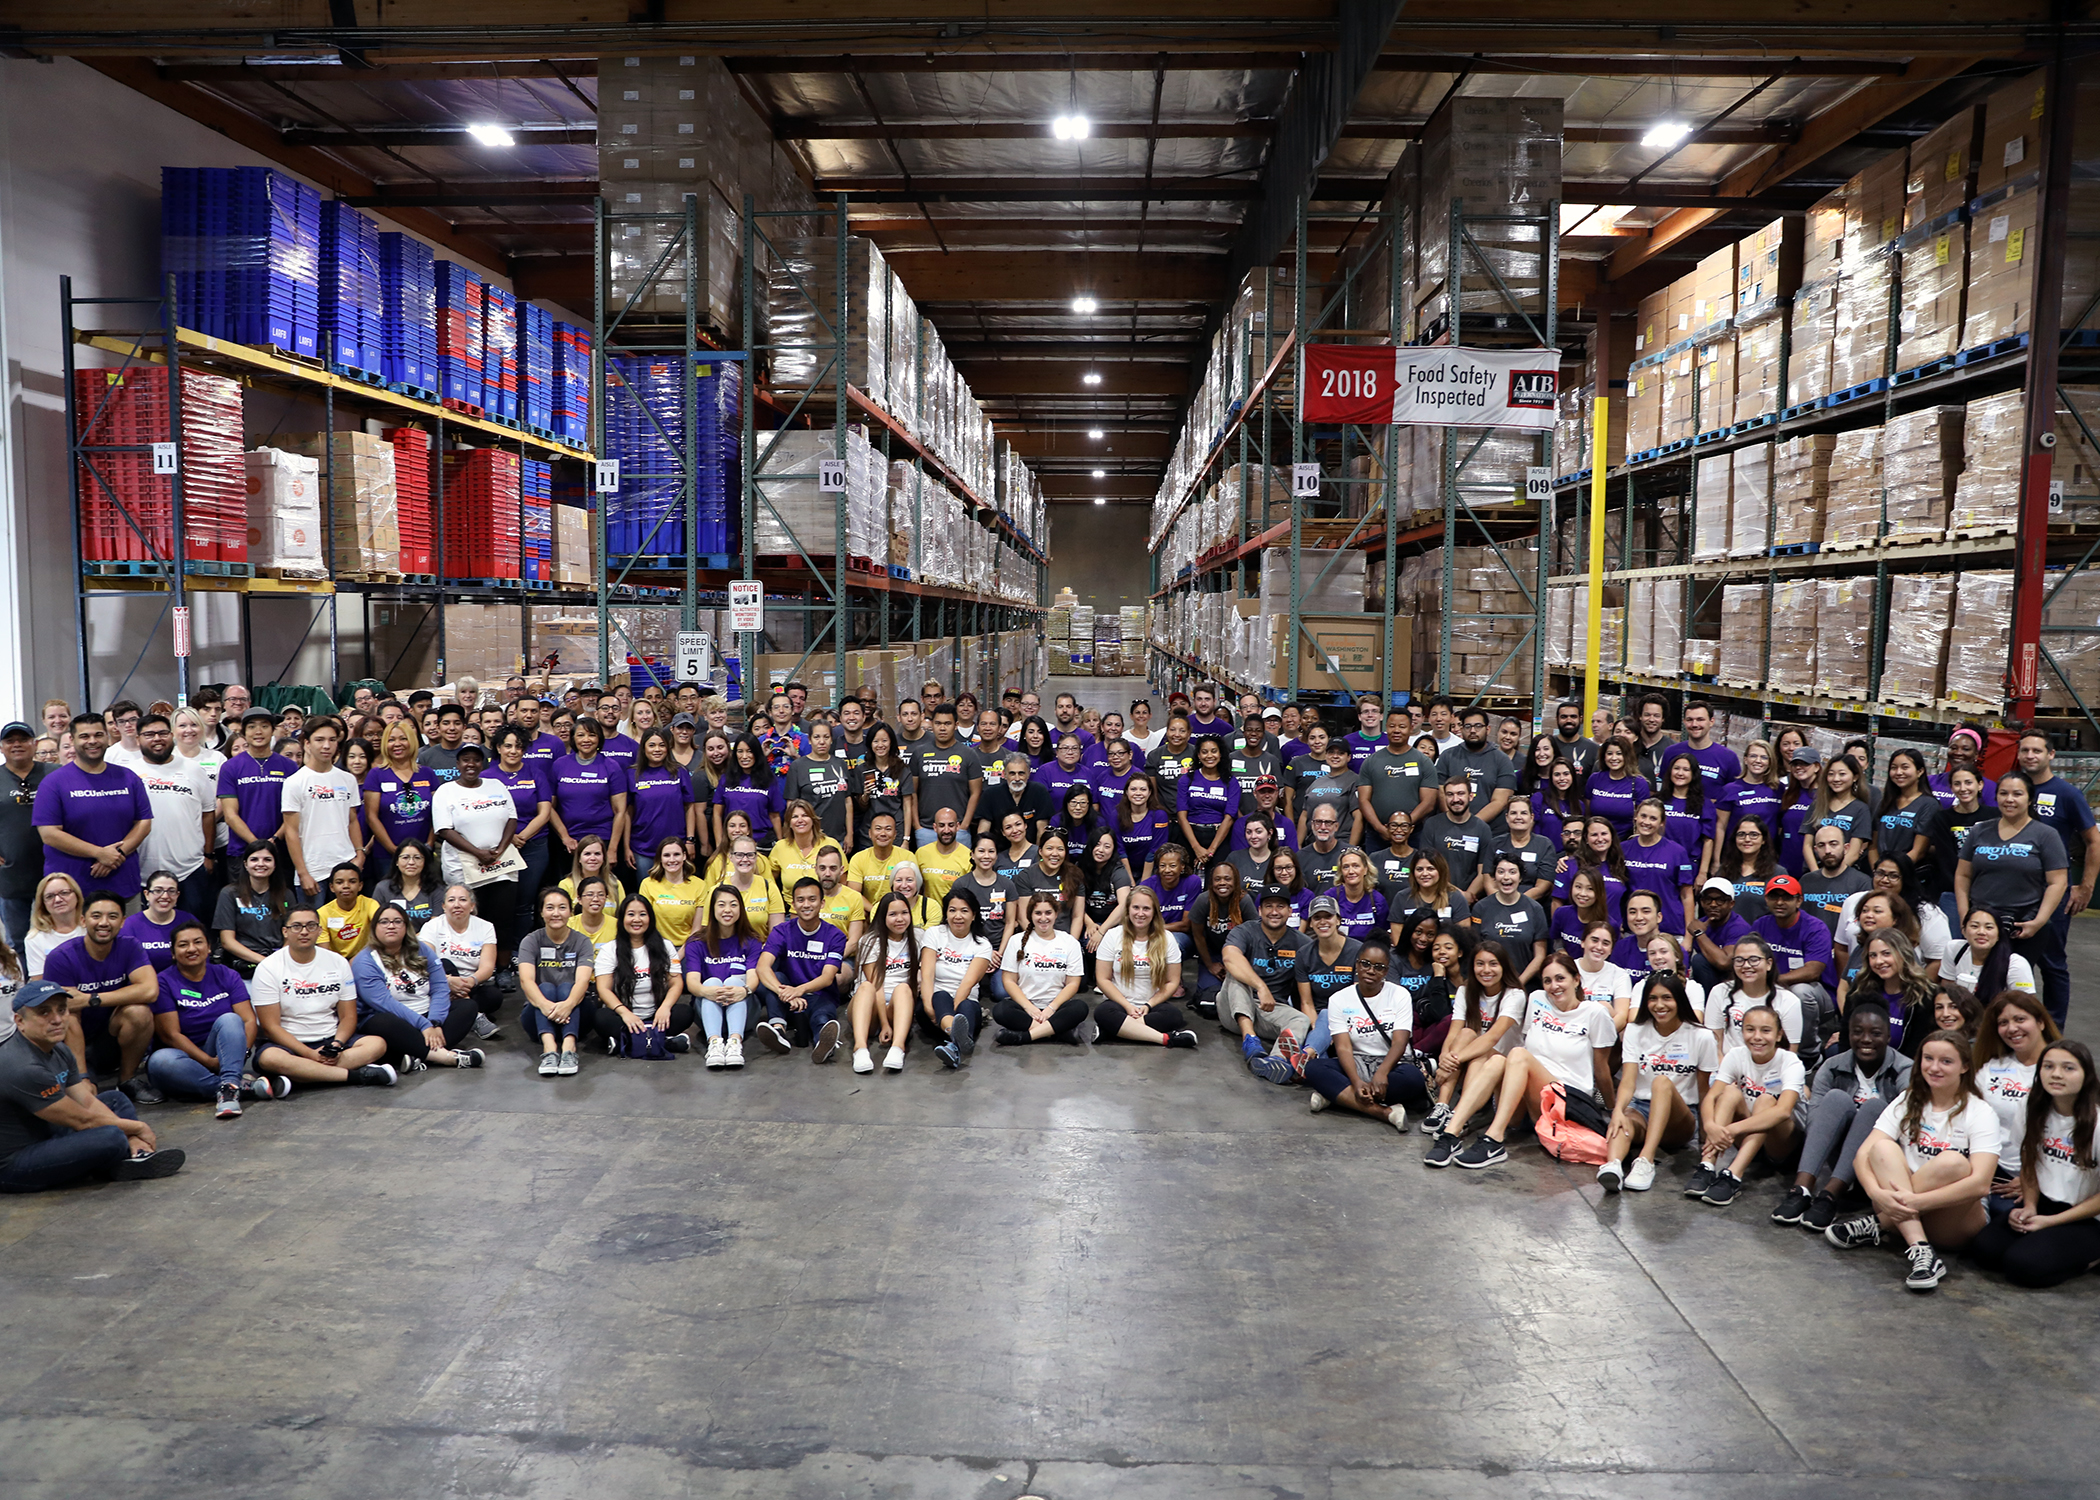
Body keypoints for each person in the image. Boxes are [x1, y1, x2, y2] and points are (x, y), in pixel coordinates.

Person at [1826, 1028, 2002, 1292]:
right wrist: (1876, 1193)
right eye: (1928, 1059)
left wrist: (1912, 1202)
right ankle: (1922, 1252)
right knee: (1882, 1147)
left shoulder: (1980, 1112)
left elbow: (1980, 1184)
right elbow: (1863, 1155)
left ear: (1965, 1067)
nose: (1934, 1067)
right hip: (1900, 1209)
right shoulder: (1909, 1100)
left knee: (1952, 1163)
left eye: (1946, 1061)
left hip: (1952, 1219)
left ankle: (1878, 1224)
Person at [0, 981, 188, 1191]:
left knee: (115, 1100)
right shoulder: (22, 1066)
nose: (57, 1020)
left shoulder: (60, 1050)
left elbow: (87, 1101)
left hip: (47, 1133)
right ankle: (120, 1159)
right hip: (13, 1164)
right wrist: (138, 1129)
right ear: (20, 1021)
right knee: (112, 1136)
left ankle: (128, 1155)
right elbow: (82, 1120)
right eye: (44, 1013)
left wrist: (131, 1136)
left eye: (62, 1010)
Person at [1444, 952, 1616, 1170]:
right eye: (1547, 980)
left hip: (1568, 1100)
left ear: (1576, 979)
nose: (1554, 986)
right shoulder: (1536, 999)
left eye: (1560, 978)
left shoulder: (1595, 1013)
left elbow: (1602, 1069)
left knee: (1517, 1054)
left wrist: (1613, 1111)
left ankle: (1494, 1139)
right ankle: (1450, 1133)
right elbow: (1528, 1043)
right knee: (1496, 1059)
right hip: (1530, 1101)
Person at [1967, 1038, 2100, 1286]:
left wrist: (2050, 1222)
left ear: (2086, 1075)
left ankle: (2092, 1258)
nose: (2056, 1074)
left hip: (2087, 1217)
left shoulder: (2097, 1123)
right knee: (1984, 1251)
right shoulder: (2031, 1107)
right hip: (2045, 1204)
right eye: (2048, 1066)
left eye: (2068, 1068)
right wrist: (2029, 1206)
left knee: (2023, 1267)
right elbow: (2028, 1158)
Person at [1955, 769, 2069, 1021]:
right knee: (1975, 988)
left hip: (2022, 926)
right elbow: (1962, 876)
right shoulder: (1979, 831)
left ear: (2030, 799)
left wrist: (2038, 922)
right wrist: (1966, 916)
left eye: (2017, 794)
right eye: (2003, 793)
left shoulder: (2045, 835)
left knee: (2012, 994)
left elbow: (2057, 882)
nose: (2009, 799)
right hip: (1982, 925)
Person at [248, 905, 399, 1088]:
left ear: (320, 930)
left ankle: (301, 1077)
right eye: (297, 926)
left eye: (311, 925)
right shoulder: (268, 967)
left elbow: (348, 1016)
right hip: (289, 1044)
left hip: (330, 1040)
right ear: (285, 932)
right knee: (270, 1058)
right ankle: (356, 1076)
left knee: (377, 1044)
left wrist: (336, 1045)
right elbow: (270, 1027)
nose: (304, 931)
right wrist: (309, 1054)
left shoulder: (338, 962)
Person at [1598, 973, 1716, 1193]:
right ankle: (1613, 1165)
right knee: (1622, 1122)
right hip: (1641, 1107)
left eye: (1666, 998)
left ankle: (1646, 1160)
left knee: (1661, 1083)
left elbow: (1704, 1089)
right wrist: (1618, 1110)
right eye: (1652, 998)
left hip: (1680, 1117)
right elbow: (1628, 1081)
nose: (1659, 1005)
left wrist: (1705, 1137)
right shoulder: (1635, 1030)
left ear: (1679, 1000)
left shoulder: (1702, 1036)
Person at [2011, 732, 2097, 1028]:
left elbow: (2093, 841)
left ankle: (2053, 1027)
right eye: (2025, 750)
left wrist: (2085, 886)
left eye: (2037, 750)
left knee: (2052, 963)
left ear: (2051, 755)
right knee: (2008, 959)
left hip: (2054, 890)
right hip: (2015, 890)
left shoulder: (2067, 794)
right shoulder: (2011, 789)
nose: (2030, 755)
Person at [1687, 1004, 1807, 1207]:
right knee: (1729, 1092)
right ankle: (1707, 1165)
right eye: (1750, 1029)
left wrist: (1730, 1129)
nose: (1757, 1036)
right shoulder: (1736, 1055)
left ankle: (1734, 1175)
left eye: (1766, 1030)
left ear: (1779, 1036)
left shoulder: (1790, 1061)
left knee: (1767, 1100)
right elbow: (1710, 1096)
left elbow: (1783, 1111)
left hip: (1783, 1145)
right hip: (1748, 1139)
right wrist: (1710, 1127)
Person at [143, 923, 267, 1118]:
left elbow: (248, 1021)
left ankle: (228, 1086)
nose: (192, 949)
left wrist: (239, 1055)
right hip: (186, 1060)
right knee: (160, 1061)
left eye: (198, 942)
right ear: (174, 953)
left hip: (223, 1053)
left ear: (209, 948)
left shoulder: (227, 974)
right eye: (183, 945)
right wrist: (209, 1062)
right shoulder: (163, 981)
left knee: (230, 1019)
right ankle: (234, 1087)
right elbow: (171, 1035)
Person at [34, 713, 153, 908]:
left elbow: (144, 822)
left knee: (125, 938)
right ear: (72, 740)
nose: (92, 741)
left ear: (107, 737)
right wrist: (99, 853)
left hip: (122, 883)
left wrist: (117, 855)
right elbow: (49, 834)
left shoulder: (128, 778)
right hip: (71, 891)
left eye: (98, 735)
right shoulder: (53, 783)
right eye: (84, 736)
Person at [349, 902, 486, 1070]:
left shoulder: (421, 949)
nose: (391, 926)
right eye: (384, 922)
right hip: (393, 1017)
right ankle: (447, 1057)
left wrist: (434, 1022)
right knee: (383, 1022)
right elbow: (384, 1003)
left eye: (397, 921)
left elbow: (440, 986)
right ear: (374, 928)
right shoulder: (364, 961)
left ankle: (417, 1054)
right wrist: (424, 1025)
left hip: (427, 1013)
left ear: (406, 926)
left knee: (468, 1006)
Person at [429, 741, 519, 961]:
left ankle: (503, 969)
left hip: (501, 864)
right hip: (463, 868)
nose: (471, 764)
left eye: (476, 759)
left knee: (504, 918)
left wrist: (500, 848)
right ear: (457, 764)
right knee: (471, 918)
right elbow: (444, 830)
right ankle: (472, 965)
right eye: (466, 760)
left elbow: (511, 818)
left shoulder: (496, 784)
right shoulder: (445, 791)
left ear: (483, 763)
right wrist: (478, 853)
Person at [1092, 883, 1196, 1050]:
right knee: (1102, 1013)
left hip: (1152, 1006)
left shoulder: (1167, 939)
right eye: (1136, 908)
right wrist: (1127, 1006)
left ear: (1154, 911)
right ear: (1128, 910)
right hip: (1119, 1005)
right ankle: (1166, 1039)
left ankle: (1115, 1032)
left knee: (1174, 1016)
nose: (1140, 913)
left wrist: (1148, 1005)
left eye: (1146, 909)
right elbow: (1103, 979)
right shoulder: (1113, 936)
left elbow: (1172, 981)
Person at [753, 878, 846, 1060]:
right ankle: (778, 1030)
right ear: (793, 904)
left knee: (822, 1017)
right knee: (775, 978)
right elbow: (762, 967)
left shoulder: (835, 936)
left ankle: (824, 1045)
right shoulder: (781, 931)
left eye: (812, 899)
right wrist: (785, 993)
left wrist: (799, 990)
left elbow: (827, 978)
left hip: (819, 995)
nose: (806, 905)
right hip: (787, 997)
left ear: (822, 903)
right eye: (800, 900)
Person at [1219, 889, 1312, 1064]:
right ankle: (1250, 1041)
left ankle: (1276, 1061)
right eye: (1269, 906)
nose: (1274, 912)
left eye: (1280, 906)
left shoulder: (1302, 943)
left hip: (1271, 1010)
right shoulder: (1245, 931)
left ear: (1290, 911)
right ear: (1260, 910)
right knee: (1236, 973)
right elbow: (1229, 956)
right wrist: (1260, 987)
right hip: (1232, 1009)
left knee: (1301, 1020)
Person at [592, 893, 693, 1054]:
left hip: (656, 1016)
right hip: (624, 1016)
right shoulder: (609, 949)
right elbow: (603, 989)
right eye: (631, 914)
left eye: (642, 914)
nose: (637, 920)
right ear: (622, 919)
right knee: (601, 1017)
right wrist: (625, 1013)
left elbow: (676, 982)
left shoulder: (665, 946)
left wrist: (665, 1008)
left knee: (685, 1013)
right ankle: (662, 1041)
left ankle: (627, 1042)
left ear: (650, 918)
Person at [993, 891, 1089, 1045]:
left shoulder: (1069, 942)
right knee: (1001, 1010)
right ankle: (1058, 1031)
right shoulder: (1016, 941)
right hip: (1025, 1007)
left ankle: (1025, 1036)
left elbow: (1073, 983)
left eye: (1048, 913)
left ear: (1056, 914)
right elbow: (1009, 980)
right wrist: (1029, 1008)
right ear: (1030, 915)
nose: (1043, 918)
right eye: (1038, 913)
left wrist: (1051, 1008)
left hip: (1057, 1007)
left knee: (1080, 1007)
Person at [516, 887, 593, 1077]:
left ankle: (568, 1049)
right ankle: (549, 1050)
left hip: (576, 1014)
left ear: (570, 911)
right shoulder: (531, 940)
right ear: (541, 912)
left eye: (562, 908)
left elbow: (583, 982)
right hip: (538, 1015)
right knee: (546, 988)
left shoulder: (582, 942)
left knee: (568, 987)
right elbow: (526, 981)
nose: (556, 913)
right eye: (550, 908)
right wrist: (546, 1006)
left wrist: (567, 1005)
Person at [1749, 874, 1832, 1051]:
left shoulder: (1815, 927)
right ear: (1766, 899)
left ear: (1799, 900)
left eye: (1786, 897)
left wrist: (1774, 980)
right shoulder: (1761, 925)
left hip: (1817, 994)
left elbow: (1813, 971)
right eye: (1774, 897)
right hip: (1773, 988)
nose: (1779, 902)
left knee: (1800, 992)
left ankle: (1808, 1052)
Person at [684, 885, 763, 1069]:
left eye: (733, 905)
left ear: (740, 910)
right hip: (708, 1011)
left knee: (735, 981)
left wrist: (744, 990)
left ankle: (735, 1043)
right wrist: (708, 991)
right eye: (721, 905)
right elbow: (692, 982)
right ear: (713, 909)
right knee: (711, 982)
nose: (727, 910)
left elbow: (753, 977)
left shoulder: (752, 940)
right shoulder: (697, 942)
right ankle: (715, 1044)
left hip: (744, 1011)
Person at [920, 888, 995, 1069]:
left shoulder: (983, 944)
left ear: (974, 915)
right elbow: (927, 975)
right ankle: (960, 1039)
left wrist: (949, 1017)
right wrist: (931, 1009)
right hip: (934, 1005)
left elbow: (967, 985)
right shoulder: (934, 934)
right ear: (946, 913)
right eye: (952, 910)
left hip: (965, 1005)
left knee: (966, 1005)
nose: (957, 916)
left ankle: (954, 1043)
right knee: (940, 996)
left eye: (964, 910)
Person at [550, 716, 632, 874]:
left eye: (592, 735)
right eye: (580, 735)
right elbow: (549, 807)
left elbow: (620, 811)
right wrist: (565, 836)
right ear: (573, 738)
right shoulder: (559, 765)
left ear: (599, 738)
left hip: (602, 839)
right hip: (569, 842)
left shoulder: (611, 766)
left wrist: (613, 849)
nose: (586, 740)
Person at [849, 892, 920, 1073]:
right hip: (869, 1005)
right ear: (883, 916)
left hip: (898, 1006)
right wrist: (885, 1024)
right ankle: (860, 1049)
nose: (900, 919)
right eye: (893, 914)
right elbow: (877, 985)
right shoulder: (869, 941)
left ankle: (898, 1048)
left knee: (904, 988)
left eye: (904, 913)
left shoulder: (919, 938)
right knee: (866, 986)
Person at [420, 884, 501, 1041]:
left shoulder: (486, 927)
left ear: (472, 906)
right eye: (451, 900)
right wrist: (448, 981)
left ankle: (461, 1009)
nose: (457, 904)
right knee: (443, 963)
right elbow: (426, 963)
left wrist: (470, 981)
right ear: (444, 906)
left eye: (463, 900)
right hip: (440, 980)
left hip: (470, 983)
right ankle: (476, 1017)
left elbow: (487, 967)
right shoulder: (431, 927)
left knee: (493, 997)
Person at [1414, 776, 1489, 899]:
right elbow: (1426, 865)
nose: (1455, 799)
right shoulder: (1432, 824)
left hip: (1470, 898)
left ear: (1470, 796)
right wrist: (1457, 895)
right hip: (1436, 895)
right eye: (1450, 794)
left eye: (1460, 794)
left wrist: (1467, 896)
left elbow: (1483, 872)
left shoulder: (1482, 828)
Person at [1175, 735, 1240, 872]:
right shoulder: (1187, 779)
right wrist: (1196, 848)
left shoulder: (1231, 782)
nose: (1209, 756)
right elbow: (1181, 816)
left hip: (1219, 839)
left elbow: (1229, 818)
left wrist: (1211, 850)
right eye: (1204, 752)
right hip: (1190, 837)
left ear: (1221, 754)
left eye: (1214, 751)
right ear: (1198, 755)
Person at [786, 721, 853, 851]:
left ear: (831, 740)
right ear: (809, 740)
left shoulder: (840, 764)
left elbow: (847, 801)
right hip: (809, 838)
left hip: (837, 837)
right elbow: (791, 805)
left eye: (826, 737)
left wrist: (850, 834)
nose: (822, 742)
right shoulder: (798, 766)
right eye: (817, 737)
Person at [119, 869, 199, 974]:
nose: (165, 896)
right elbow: (123, 964)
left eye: (171, 891)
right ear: (146, 894)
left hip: (183, 983)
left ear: (177, 895)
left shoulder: (188, 921)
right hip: (144, 985)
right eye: (158, 890)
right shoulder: (130, 926)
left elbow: (201, 957)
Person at [1584, 736, 1651, 839]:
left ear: (1627, 756)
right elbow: (1587, 814)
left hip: (1625, 843)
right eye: (1609, 754)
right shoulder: (1595, 779)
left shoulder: (1639, 783)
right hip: (1597, 841)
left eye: (1619, 754)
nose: (1614, 758)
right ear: (1604, 756)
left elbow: (1642, 821)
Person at [316, 862, 378, 959]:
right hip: (335, 961)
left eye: (352, 881)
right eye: (339, 882)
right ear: (332, 887)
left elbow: (380, 930)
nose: (346, 886)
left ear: (360, 886)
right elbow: (325, 953)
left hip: (365, 958)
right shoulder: (322, 913)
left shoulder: (370, 904)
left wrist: (355, 961)